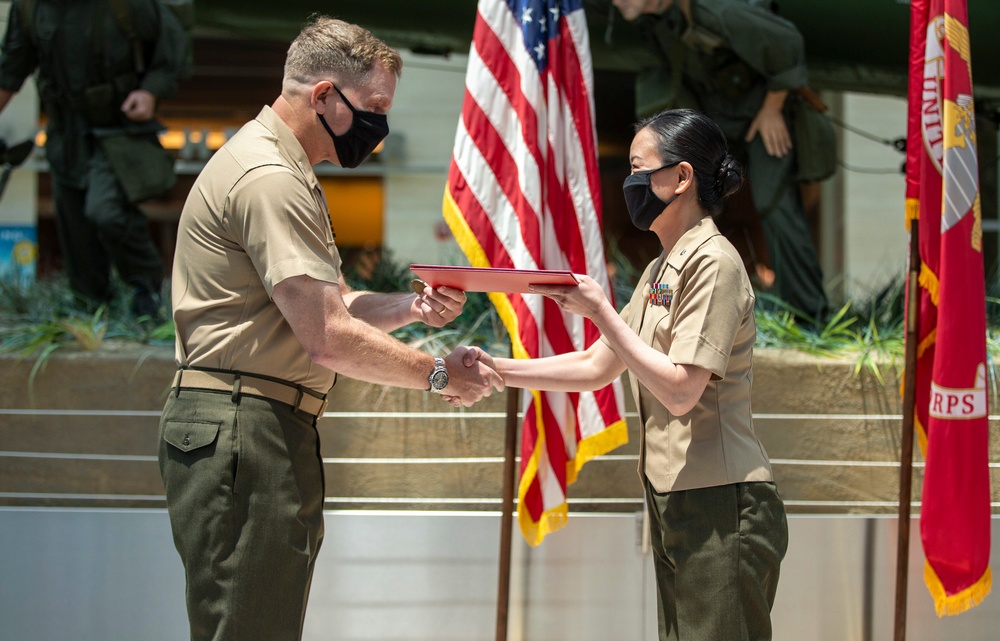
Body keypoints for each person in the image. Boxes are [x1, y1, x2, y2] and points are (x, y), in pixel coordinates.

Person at [157, 16, 503, 641]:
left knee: (261, 621)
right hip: (244, 426)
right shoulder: (268, 179)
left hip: (258, 423)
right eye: (372, 107)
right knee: (249, 627)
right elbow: (327, 335)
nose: (379, 125)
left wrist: (411, 307)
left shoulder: (285, 172)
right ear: (323, 96)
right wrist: (437, 373)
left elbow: (333, 304)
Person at [459, 109, 788, 640]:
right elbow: (597, 365)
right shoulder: (664, 267)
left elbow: (681, 389)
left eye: (639, 168)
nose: (629, 182)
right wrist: (496, 370)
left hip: (721, 501)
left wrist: (599, 310)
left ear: (681, 178)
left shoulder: (714, 262)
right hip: (675, 497)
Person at [611, 0, 830, 322]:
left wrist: (772, 109)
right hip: (716, 121)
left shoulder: (719, 11)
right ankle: (669, 306)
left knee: (775, 205)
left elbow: (787, 42)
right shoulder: (660, 21)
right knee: (678, 201)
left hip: (763, 119)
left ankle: (810, 317)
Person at [0, 0, 189, 318]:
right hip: (66, 133)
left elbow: (173, 47)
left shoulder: (127, 5)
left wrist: (150, 91)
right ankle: (91, 308)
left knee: (106, 211)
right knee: (75, 225)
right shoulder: (31, 8)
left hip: (117, 129)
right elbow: (10, 71)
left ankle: (147, 293)